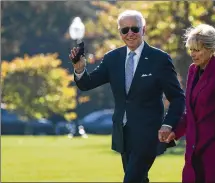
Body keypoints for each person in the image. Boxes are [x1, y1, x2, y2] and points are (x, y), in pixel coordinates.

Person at [69, 10, 185, 183]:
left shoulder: (159, 59)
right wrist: (79, 69)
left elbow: (177, 97)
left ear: (143, 29)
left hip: (149, 134)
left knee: (131, 179)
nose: (130, 33)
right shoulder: (112, 58)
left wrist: (168, 124)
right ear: (120, 33)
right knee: (139, 179)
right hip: (123, 134)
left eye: (134, 29)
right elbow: (87, 84)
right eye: (125, 30)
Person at [160, 24, 215, 183]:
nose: (193, 54)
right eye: (191, 49)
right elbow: (190, 110)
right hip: (194, 145)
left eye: (197, 50)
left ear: (211, 49)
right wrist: (176, 131)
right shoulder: (192, 70)